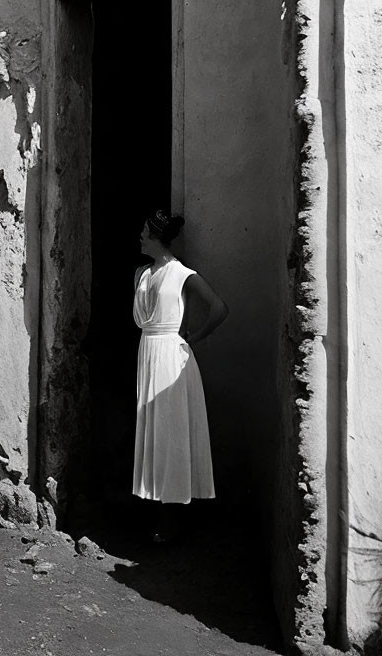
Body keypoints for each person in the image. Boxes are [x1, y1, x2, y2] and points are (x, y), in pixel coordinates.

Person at [132, 208, 228, 541]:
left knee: (170, 433)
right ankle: (158, 510)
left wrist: (193, 337)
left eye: (145, 231)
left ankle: (171, 521)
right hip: (148, 353)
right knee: (154, 429)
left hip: (172, 356)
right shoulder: (142, 274)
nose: (140, 236)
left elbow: (219, 308)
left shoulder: (183, 274)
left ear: (156, 236)